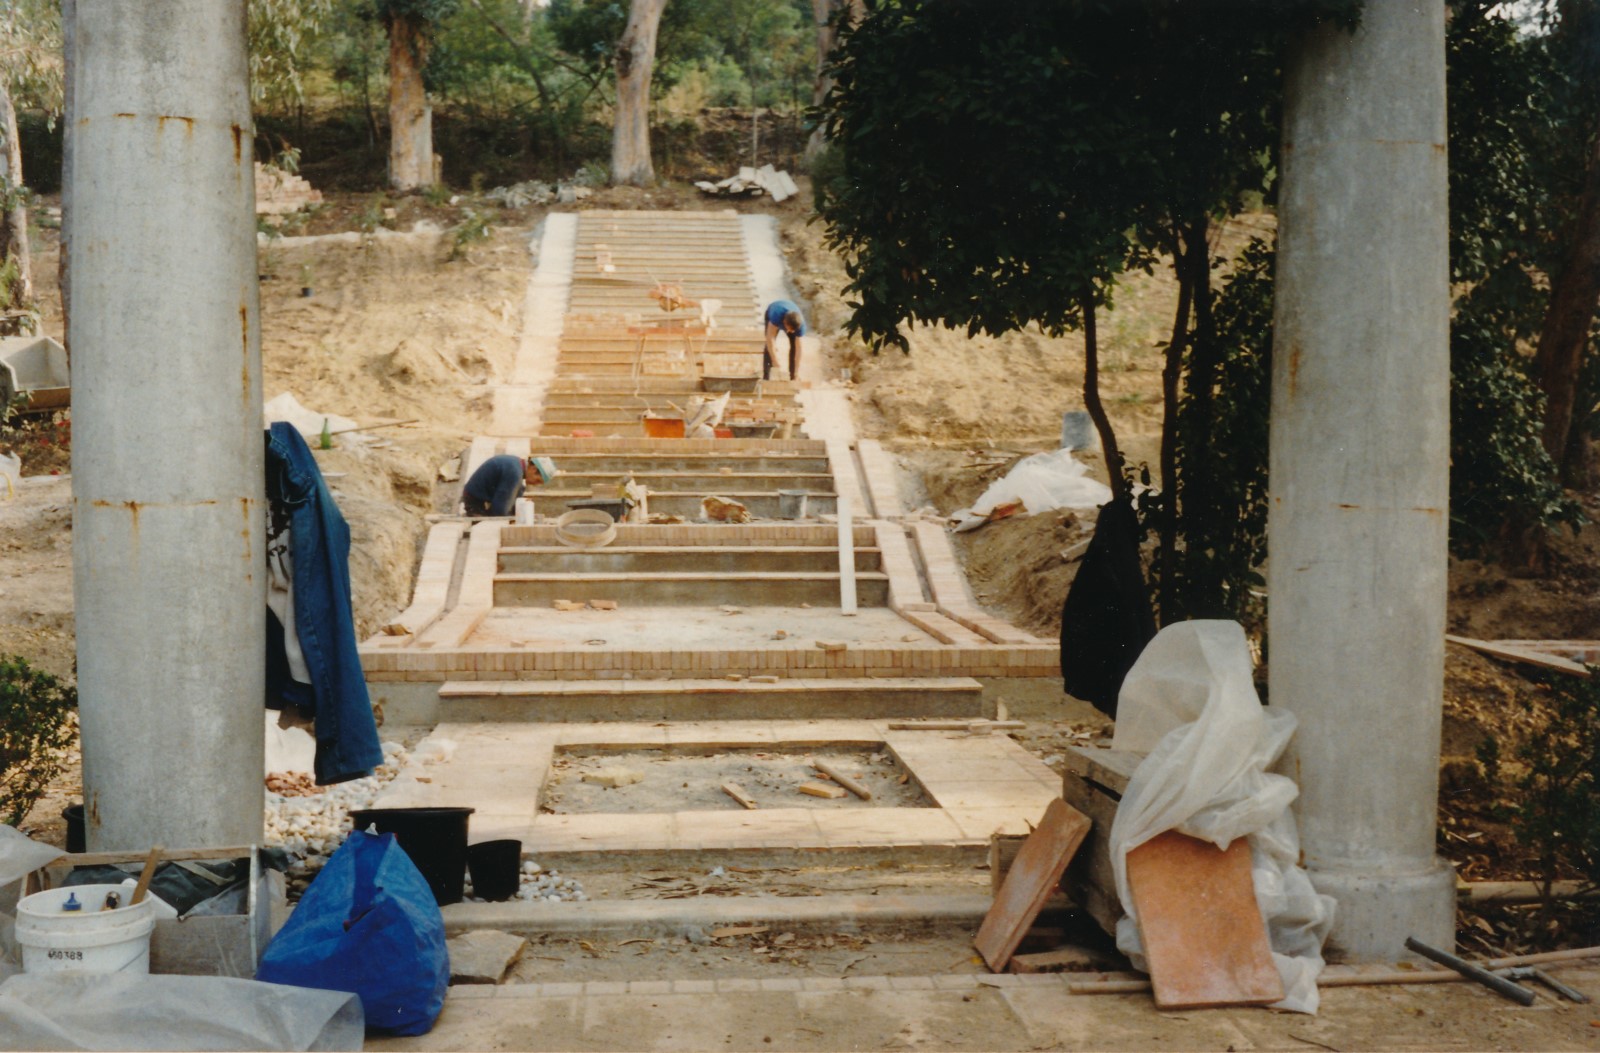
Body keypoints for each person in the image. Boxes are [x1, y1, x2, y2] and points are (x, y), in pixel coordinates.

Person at [462, 454, 531, 517]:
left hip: (479, 496)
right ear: (533, 469)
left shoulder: (517, 465)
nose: (534, 483)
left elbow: (516, 494)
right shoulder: (514, 472)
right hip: (474, 499)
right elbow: (500, 509)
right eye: (537, 480)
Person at [763, 299, 807, 381]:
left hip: (790, 317)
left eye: (793, 331)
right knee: (768, 346)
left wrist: (796, 372)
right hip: (772, 310)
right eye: (789, 329)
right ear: (784, 323)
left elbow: (798, 350)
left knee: (794, 346)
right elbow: (770, 339)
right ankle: (766, 376)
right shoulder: (775, 315)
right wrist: (775, 361)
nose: (790, 332)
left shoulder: (801, 326)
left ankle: (793, 377)